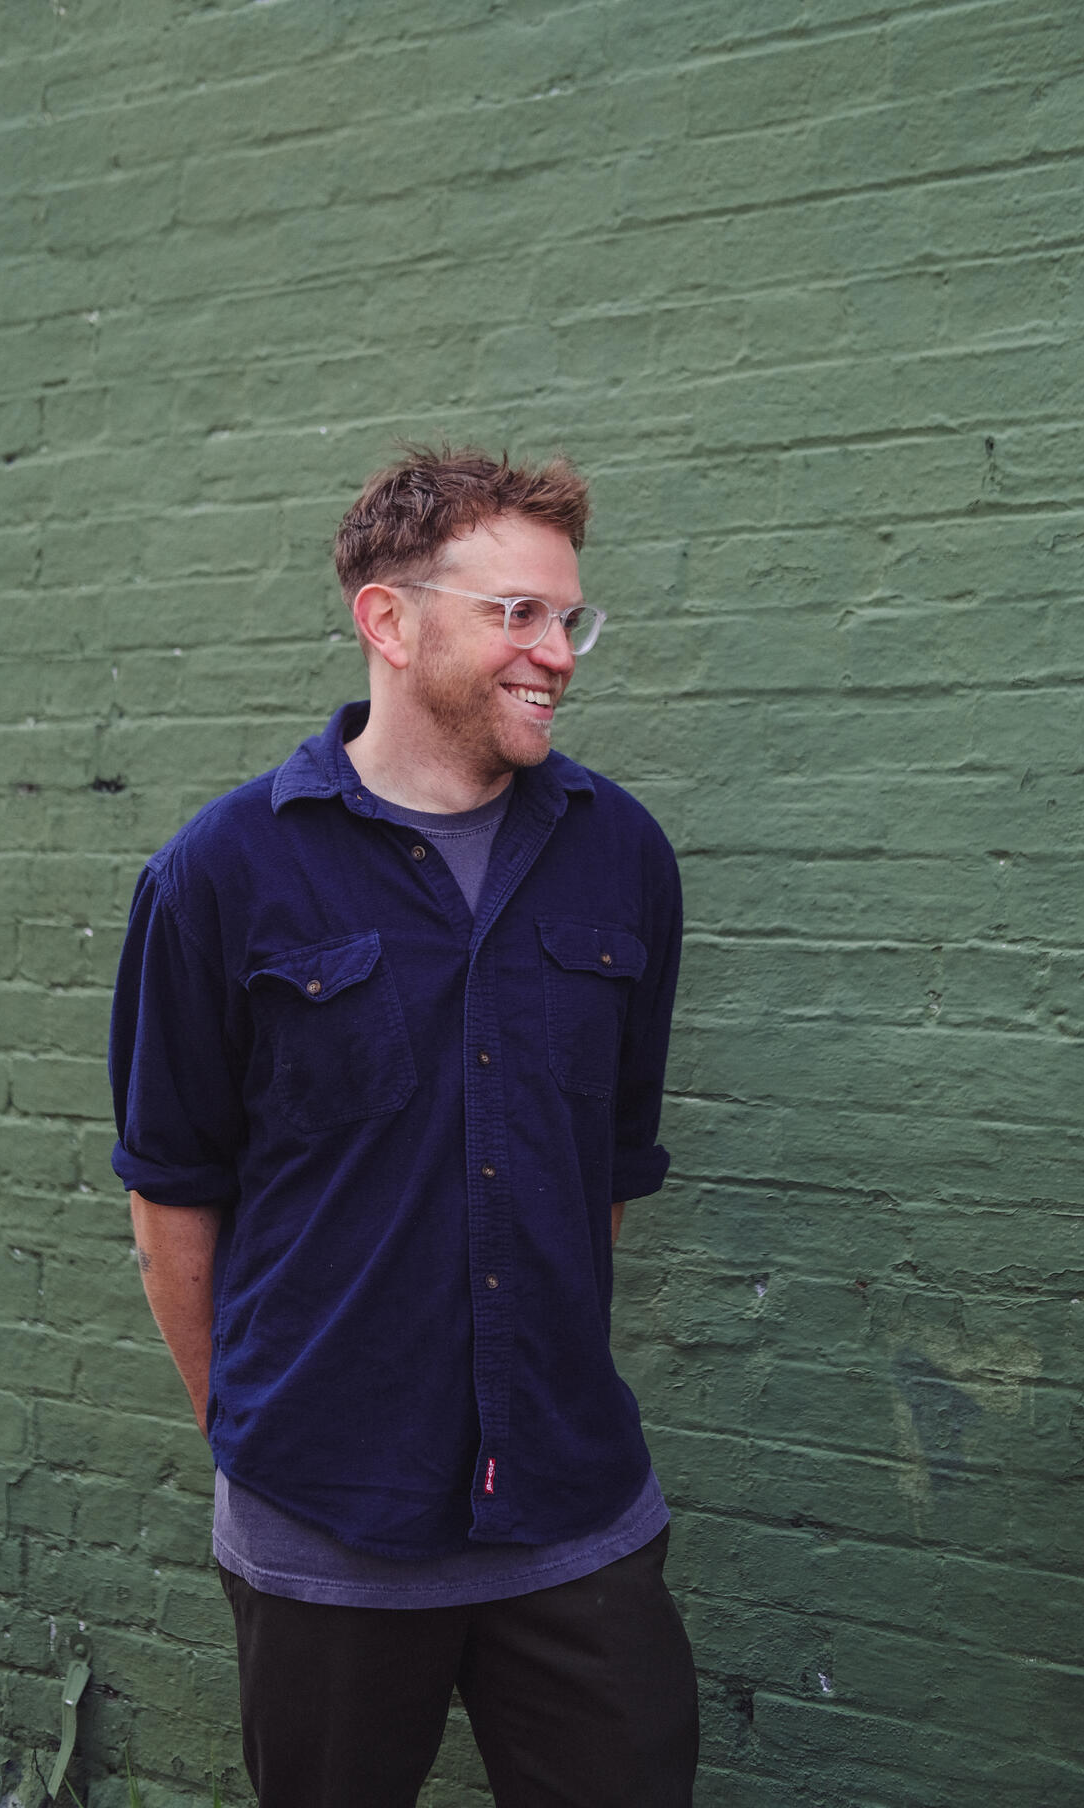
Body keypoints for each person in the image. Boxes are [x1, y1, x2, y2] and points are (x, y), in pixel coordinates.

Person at [109, 446, 698, 1808]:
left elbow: (604, 1169)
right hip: (324, 1517)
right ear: (389, 620)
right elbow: (172, 1199)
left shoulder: (625, 857)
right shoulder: (221, 875)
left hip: (572, 1512)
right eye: (516, 614)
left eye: (570, 616)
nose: (556, 651)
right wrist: (256, 1427)